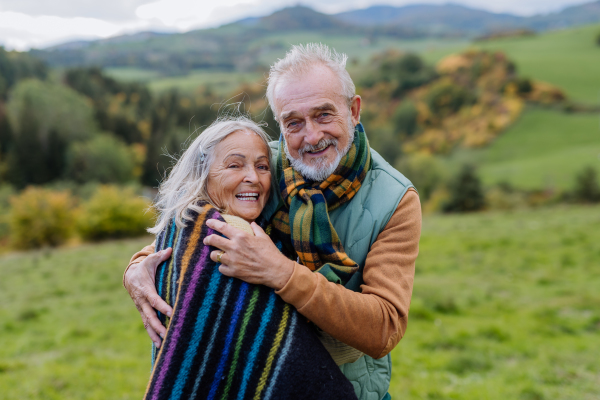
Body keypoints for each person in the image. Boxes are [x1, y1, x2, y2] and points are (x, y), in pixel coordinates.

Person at [125, 43, 421, 400]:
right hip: (252, 382)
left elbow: (384, 329)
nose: (311, 136)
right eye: (293, 122)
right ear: (279, 124)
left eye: (324, 115)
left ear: (354, 111)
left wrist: (279, 272)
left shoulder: (395, 199)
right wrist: (138, 266)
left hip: (345, 391)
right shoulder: (262, 166)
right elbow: (200, 227)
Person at [142, 117, 357, 399]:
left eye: (262, 166)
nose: (253, 178)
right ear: (202, 173)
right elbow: (345, 346)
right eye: (234, 165)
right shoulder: (234, 236)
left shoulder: (182, 225)